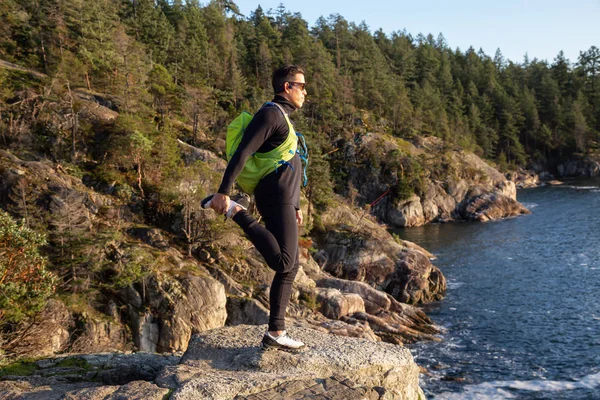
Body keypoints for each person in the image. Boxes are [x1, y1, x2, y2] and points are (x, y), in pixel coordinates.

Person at [203, 65, 307, 351]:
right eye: (301, 86)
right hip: (275, 194)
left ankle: (276, 331)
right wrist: (224, 193)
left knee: (291, 265)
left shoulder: (282, 116)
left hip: (284, 196)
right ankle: (236, 211)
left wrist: (296, 203)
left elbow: (289, 161)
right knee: (284, 262)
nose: (304, 92)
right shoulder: (271, 114)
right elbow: (243, 152)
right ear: (287, 87)